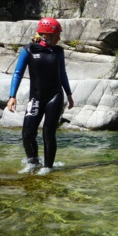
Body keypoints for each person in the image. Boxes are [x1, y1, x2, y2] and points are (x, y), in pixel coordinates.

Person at [7, 17, 74, 175]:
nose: (59, 38)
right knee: (28, 133)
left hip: (55, 96)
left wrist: (69, 95)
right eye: (57, 34)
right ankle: (33, 162)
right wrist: (12, 96)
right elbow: (17, 73)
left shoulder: (58, 51)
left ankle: (48, 167)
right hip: (36, 97)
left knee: (48, 132)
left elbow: (62, 74)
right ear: (47, 35)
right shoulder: (29, 50)